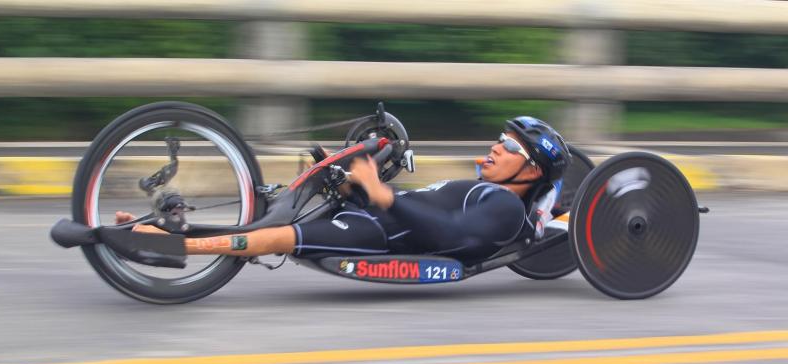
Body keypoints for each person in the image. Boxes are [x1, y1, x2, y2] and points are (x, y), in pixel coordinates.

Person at [117, 116, 570, 263]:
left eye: (508, 147)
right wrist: (359, 186)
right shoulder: (479, 189)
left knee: (278, 237)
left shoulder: (506, 210)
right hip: (373, 216)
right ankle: (163, 234)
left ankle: (175, 247)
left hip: (378, 236)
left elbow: (450, 237)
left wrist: (380, 194)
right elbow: (420, 206)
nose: (494, 147)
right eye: (499, 138)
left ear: (529, 172)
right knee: (270, 214)